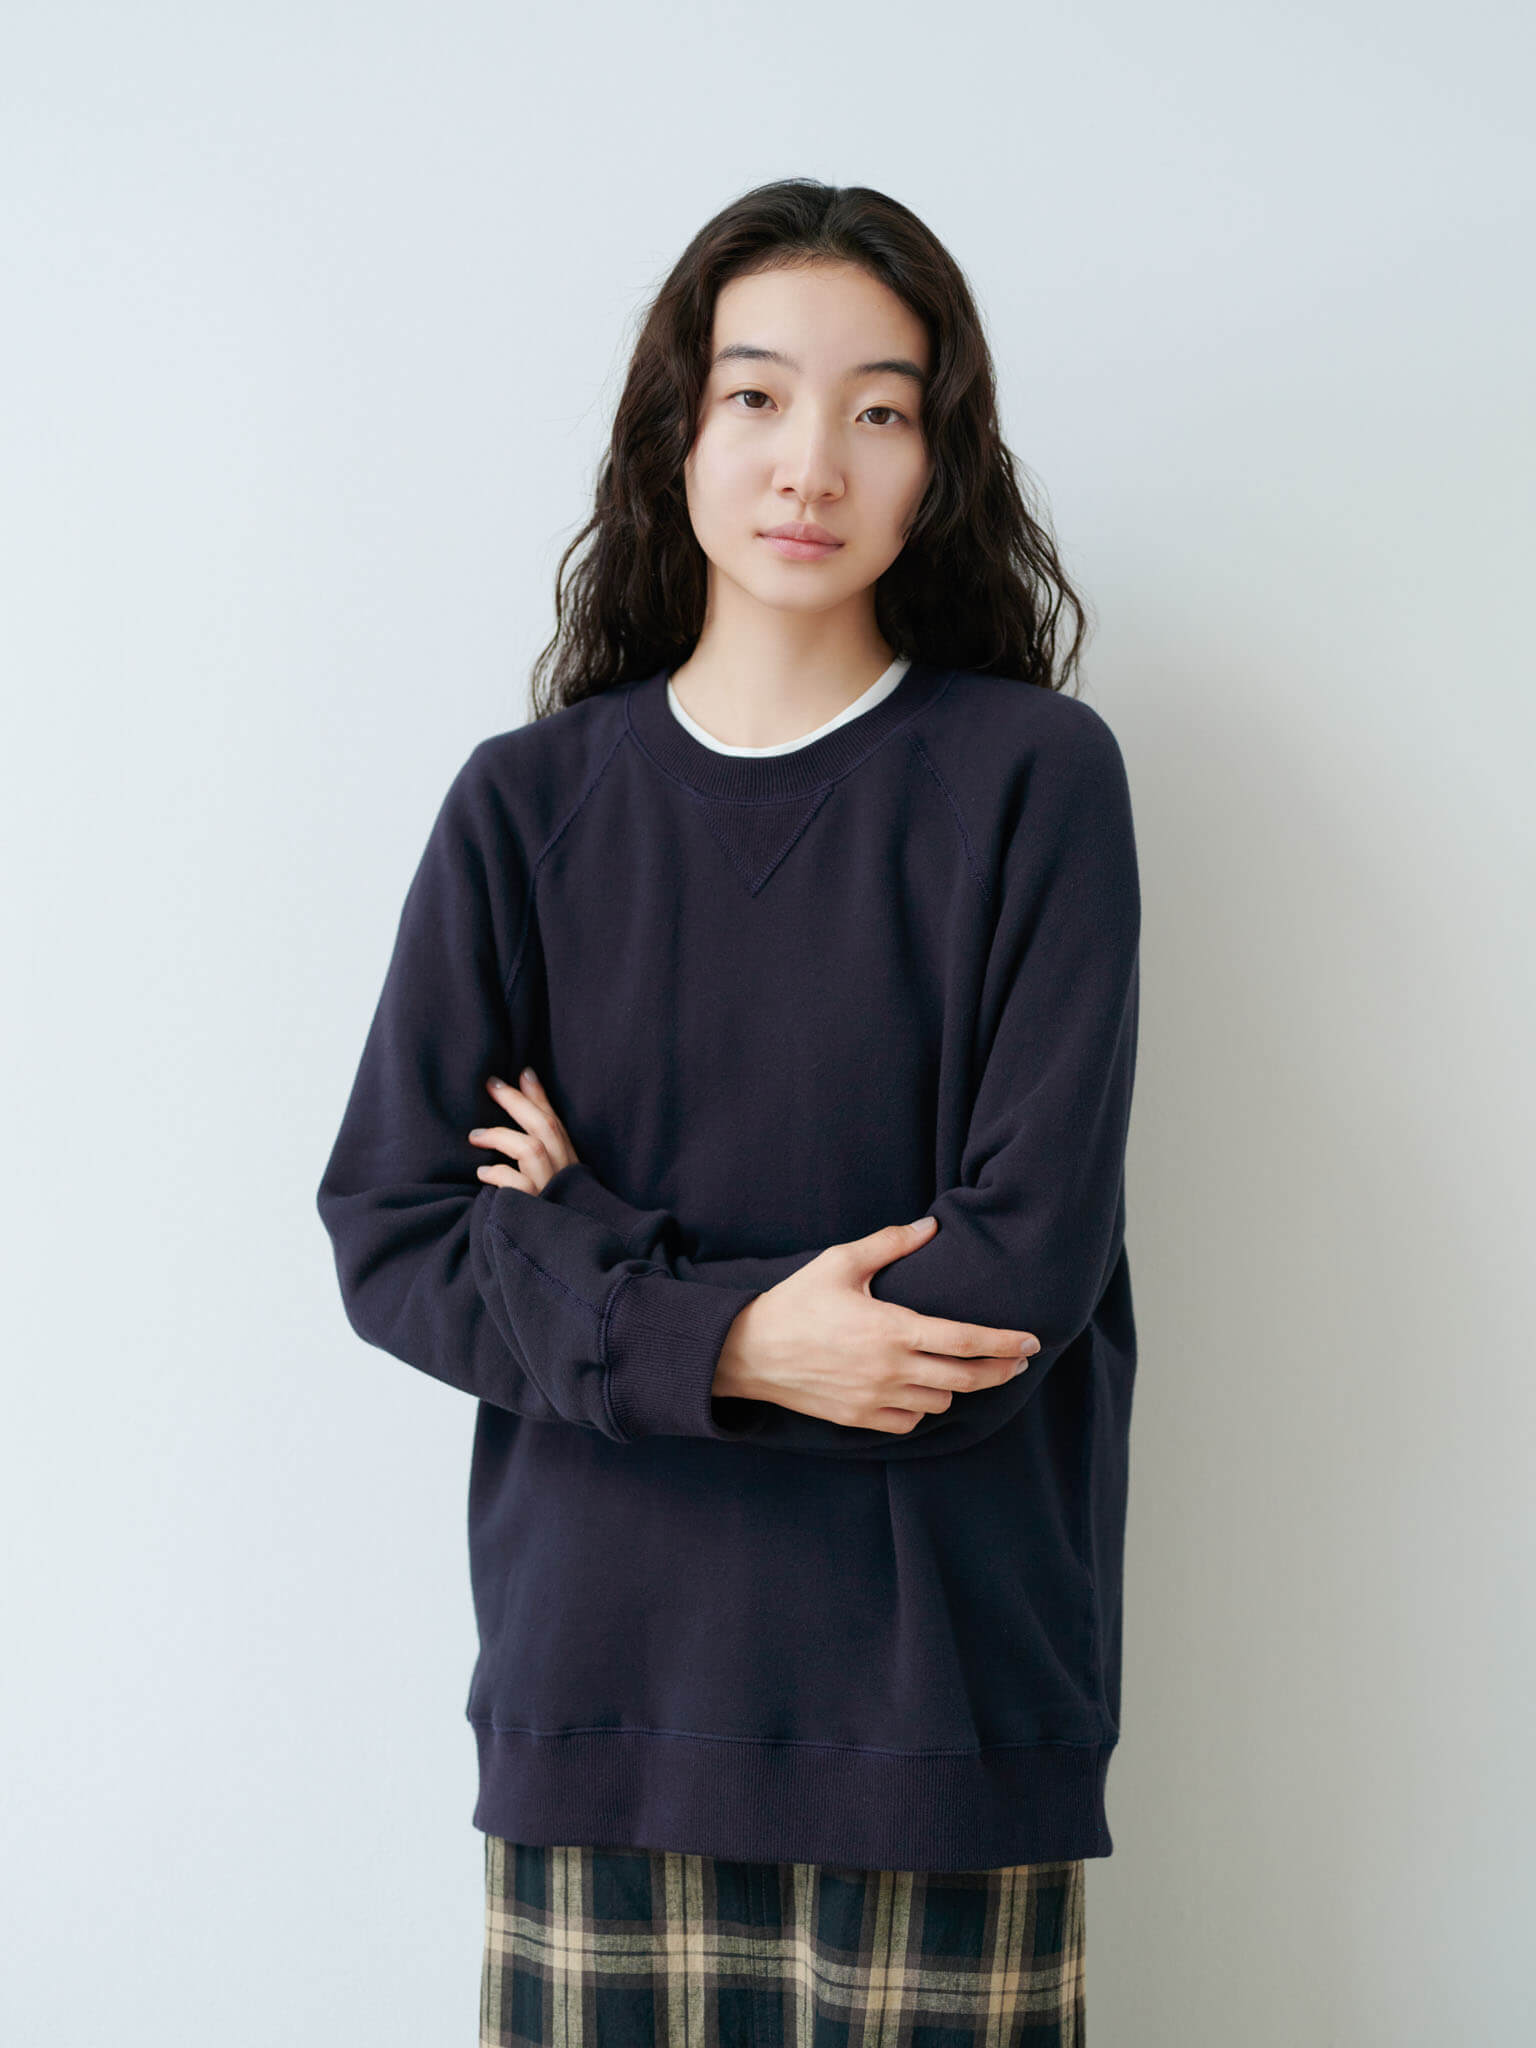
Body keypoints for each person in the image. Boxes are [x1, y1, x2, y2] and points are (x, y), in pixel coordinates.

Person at [316, 177, 1141, 2048]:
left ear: (941, 459)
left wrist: (594, 1256)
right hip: (603, 1697)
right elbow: (400, 1233)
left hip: (938, 1713)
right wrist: (753, 1340)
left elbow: (1012, 1285)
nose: (809, 463)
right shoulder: (526, 810)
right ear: (675, 432)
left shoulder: (1035, 780)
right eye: (756, 395)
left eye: (881, 409)